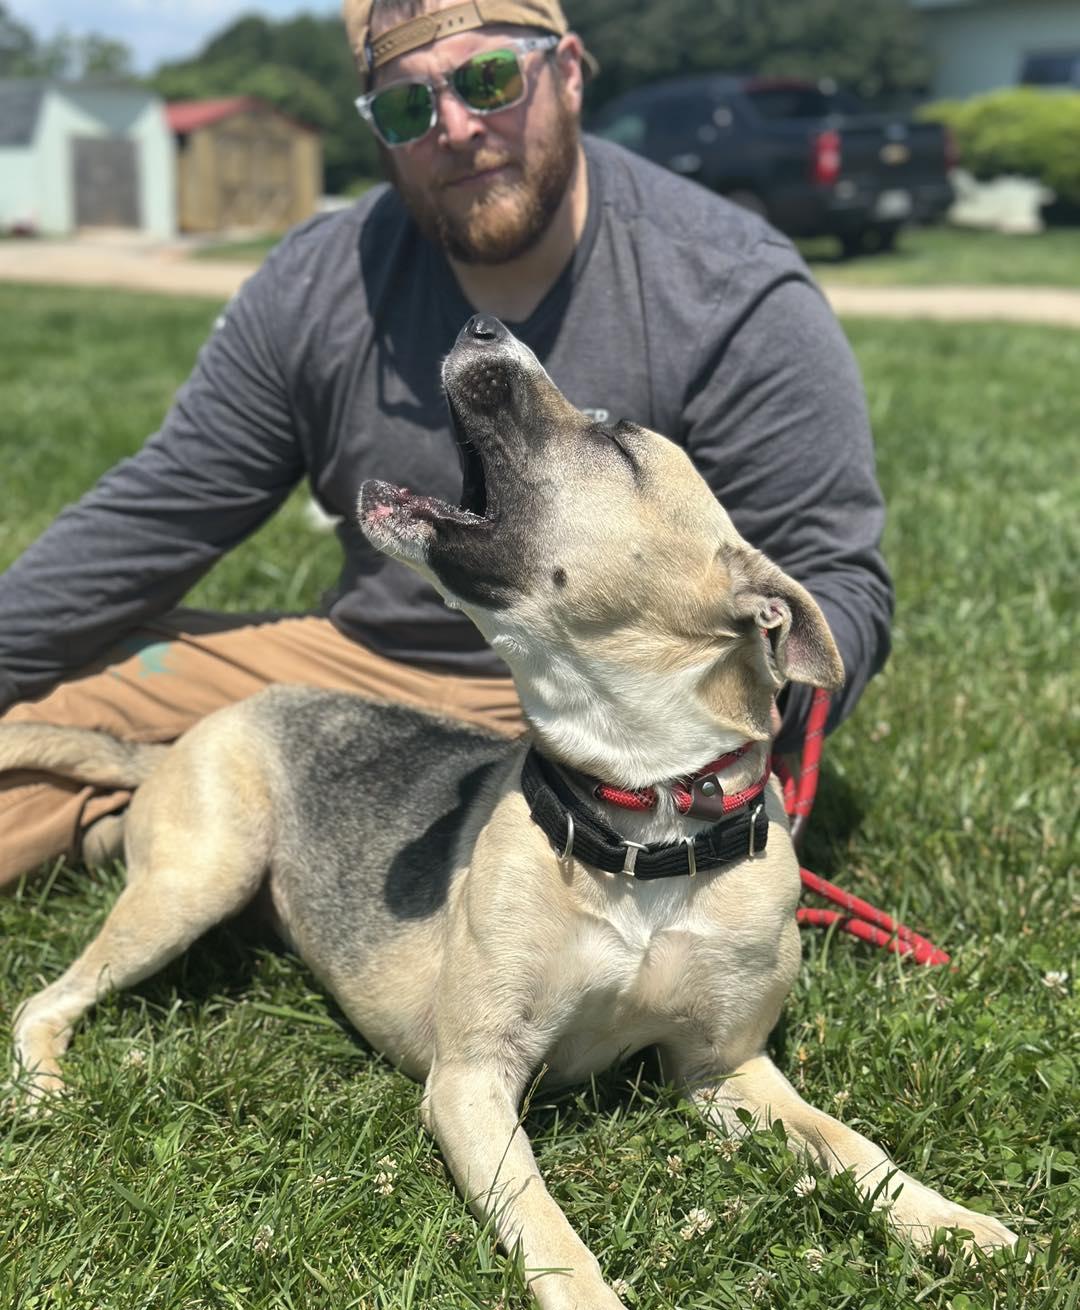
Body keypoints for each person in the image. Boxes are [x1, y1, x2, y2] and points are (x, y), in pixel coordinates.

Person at [0, 0, 892, 887]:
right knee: (43, 714)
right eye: (407, 107)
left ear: (568, 74)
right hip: (357, 666)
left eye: (489, 79)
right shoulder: (318, 281)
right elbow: (165, 507)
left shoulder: (729, 288)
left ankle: (178, 818)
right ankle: (160, 817)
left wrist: (705, 747)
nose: (457, 127)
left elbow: (830, 575)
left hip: (605, 709)